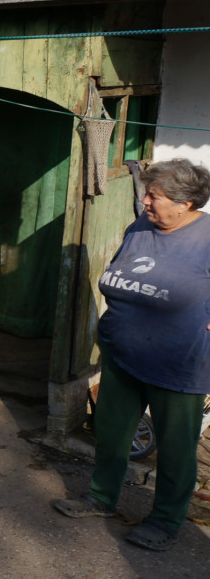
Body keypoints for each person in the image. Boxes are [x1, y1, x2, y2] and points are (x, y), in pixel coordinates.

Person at [52, 158, 210, 551]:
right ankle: (100, 498)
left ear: (186, 203)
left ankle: (165, 521)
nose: (146, 202)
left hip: (177, 365)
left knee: (175, 448)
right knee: (110, 433)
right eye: (147, 194)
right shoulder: (141, 226)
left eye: (154, 197)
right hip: (123, 354)